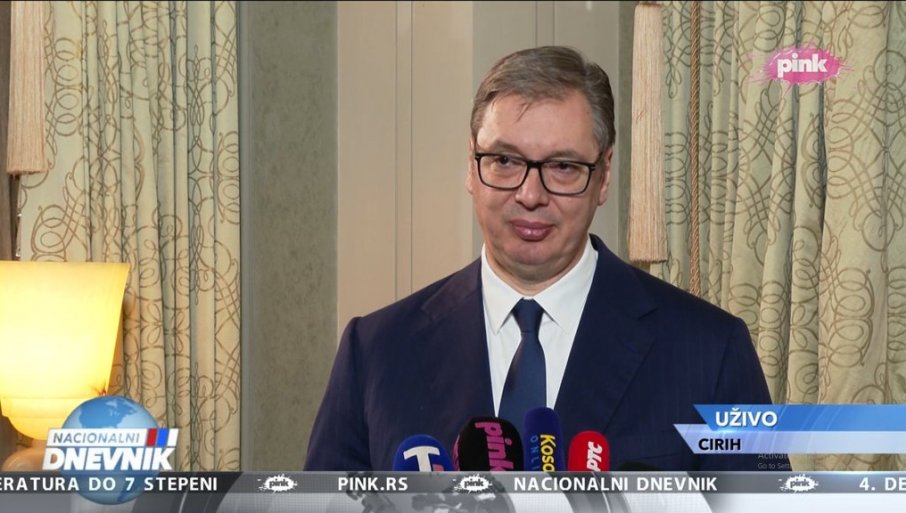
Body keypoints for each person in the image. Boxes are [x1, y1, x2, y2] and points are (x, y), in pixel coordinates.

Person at [305, 46, 786, 471]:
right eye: (505, 161)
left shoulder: (710, 352)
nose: (530, 195)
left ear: (604, 175)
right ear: (471, 164)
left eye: (562, 167)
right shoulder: (376, 351)